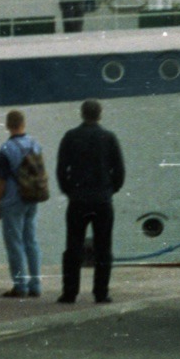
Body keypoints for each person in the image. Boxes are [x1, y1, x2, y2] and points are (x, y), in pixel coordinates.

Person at [55, 98, 125, 304]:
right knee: (103, 247)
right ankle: (101, 292)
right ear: (99, 114)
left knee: (73, 247)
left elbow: (61, 169)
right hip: (102, 200)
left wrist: (69, 190)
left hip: (78, 200)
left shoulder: (70, 136)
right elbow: (119, 169)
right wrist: (111, 189)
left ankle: (70, 292)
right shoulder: (109, 137)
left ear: (82, 114)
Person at [0, 109, 44, 298]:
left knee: (15, 243)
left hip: (13, 200)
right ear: (23, 123)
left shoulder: (7, 148)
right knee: (31, 241)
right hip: (33, 197)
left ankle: (20, 285)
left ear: (7, 125)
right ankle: (36, 285)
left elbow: (1, 180)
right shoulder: (35, 144)